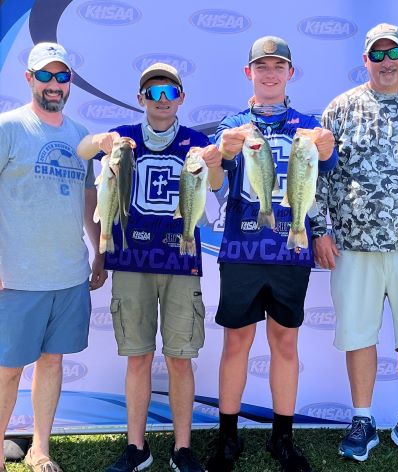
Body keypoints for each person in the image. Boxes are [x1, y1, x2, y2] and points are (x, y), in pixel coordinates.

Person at [311, 23, 398, 471]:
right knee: (357, 332)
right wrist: (319, 229)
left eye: (394, 53)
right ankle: (363, 419)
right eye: (377, 54)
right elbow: (319, 173)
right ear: (365, 60)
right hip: (354, 246)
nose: (386, 61)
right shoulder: (341, 108)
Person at [77, 62, 223, 472]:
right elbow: (82, 151)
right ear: (141, 98)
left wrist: (211, 162)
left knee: (180, 359)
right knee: (138, 357)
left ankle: (182, 448)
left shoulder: (197, 141)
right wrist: (99, 142)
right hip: (131, 262)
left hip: (182, 262)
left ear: (181, 98)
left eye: (169, 92)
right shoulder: (121, 139)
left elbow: (213, 188)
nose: (161, 100)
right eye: (152, 93)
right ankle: (136, 447)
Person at [206, 36, 338, 472]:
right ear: (249, 73)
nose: (269, 73)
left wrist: (328, 148)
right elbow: (213, 185)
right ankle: (228, 438)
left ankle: (283, 438)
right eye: (261, 66)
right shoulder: (232, 124)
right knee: (236, 344)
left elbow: (326, 176)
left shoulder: (309, 124)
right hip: (241, 250)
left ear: (290, 73)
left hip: (291, 251)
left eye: (277, 66)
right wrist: (217, 157)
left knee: (285, 342)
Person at [0, 42, 107, 472]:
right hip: (17, 277)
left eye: (62, 77)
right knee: (7, 370)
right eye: (45, 75)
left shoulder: (80, 136)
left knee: (52, 363)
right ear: (29, 79)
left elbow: (89, 198)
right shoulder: (9, 127)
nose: (54, 84)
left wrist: (100, 250)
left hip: (68, 274)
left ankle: (40, 449)